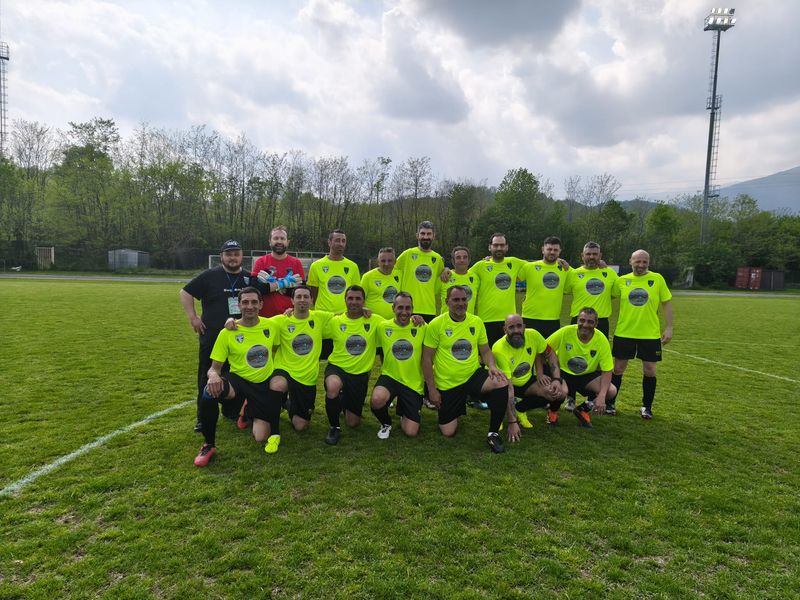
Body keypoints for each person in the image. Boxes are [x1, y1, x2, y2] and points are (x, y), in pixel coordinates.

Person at [422, 286, 516, 453]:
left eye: (464, 299)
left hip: (472, 376)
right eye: (456, 300)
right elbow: (427, 359)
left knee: (501, 381)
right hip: (448, 383)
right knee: (448, 432)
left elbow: (485, 351)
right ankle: (457, 408)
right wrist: (432, 390)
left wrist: (492, 366)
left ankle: (493, 433)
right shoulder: (436, 324)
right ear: (447, 302)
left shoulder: (476, 321)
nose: (461, 303)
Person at [194, 287, 282, 466]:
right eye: (245, 302)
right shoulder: (227, 332)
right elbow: (214, 368)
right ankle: (208, 445)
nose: (250, 306)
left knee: (261, 437)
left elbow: (275, 348)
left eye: (254, 302)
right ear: (239, 305)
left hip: (262, 384)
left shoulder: (271, 326)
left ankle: (247, 410)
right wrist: (213, 376)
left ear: (261, 304)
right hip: (238, 380)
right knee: (209, 392)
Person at [181, 240, 255, 432]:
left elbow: (267, 292)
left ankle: (231, 411)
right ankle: (203, 417)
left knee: (236, 376)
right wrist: (193, 317)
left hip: (240, 340)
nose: (233, 258)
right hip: (212, 337)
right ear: (221, 256)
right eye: (228, 254)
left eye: (236, 254)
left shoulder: (249, 278)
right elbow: (185, 292)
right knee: (208, 376)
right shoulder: (210, 276)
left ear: (242, 256)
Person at [611, 249, 673, 419]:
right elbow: (608, 295)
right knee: (618, 368)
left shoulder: (657, 279)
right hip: (625, 332)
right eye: (638, 261)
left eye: (644, 262)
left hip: (649, 334)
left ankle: (647, 407)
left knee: (650, 370)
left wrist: (669, 327)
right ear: (630, 261)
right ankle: (610, 403)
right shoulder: (621, 281)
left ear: (649, 263)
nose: (641, 265)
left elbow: (666, 303)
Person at [268, 285, 334, 432]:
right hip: (285, 369)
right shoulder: (282, 320)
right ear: (292, 300)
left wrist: (362, 311)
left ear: (311, 300)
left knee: (301, 426)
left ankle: (289, 404)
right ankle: (272, 415)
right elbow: (257, 323)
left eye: (306, 297)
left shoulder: (320, 317)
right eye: (298, 297)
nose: (302, 300)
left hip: (307, 377)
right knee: (277, 386)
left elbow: (344, 317)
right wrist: (233, 321)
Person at [322, 285, 380, 445]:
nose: (354, 302)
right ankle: (334, 427)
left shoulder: (375, 320)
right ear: (345, 300)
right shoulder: (335, 322)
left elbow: (395, 324)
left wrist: (415, 318)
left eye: (358, 299)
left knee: (353, 422)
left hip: (359, 375)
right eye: (350, 298)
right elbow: (310, 322)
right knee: (333, 386)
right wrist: (290, 312)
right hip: (337, 368)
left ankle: (342, 398)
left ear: (364, 301)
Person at [545, 308, 617, 429]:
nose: (585, 324)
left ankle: (583, 409)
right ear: (577, 320)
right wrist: (544, 372)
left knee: (611, 391)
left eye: (590, 322)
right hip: (563, 372)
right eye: (582, 320)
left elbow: (607, 370)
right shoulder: (566, 332)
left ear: (596, 323)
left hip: (586, 376)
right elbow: (544, 348)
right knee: (561, 392)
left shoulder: (601, 339)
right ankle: (552, 411)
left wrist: (602, 396)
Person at [492, 314, 567, 429]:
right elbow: (509, 388)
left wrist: (555, 379)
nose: (516, 330)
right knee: (501, 394)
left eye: (519, 326)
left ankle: (520, 409)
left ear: (524, 327)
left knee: (558, 392)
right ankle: (498, 416)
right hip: (502, 383)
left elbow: (550, 353)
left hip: (524, 382)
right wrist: (513, 422)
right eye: (511, 327)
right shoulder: (499, 349)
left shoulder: (533, 335)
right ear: (505, 329)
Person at [370, 292, 426, 439]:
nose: (404, 312)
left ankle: (404, 411)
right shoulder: (382, 326)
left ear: (413, 309)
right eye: (400, 307)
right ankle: (386, 423)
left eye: (408, 308)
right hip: (390, 377)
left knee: (411, 432)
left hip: (412, 383)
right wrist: (363, 310)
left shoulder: (421, 326)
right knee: (376, 400)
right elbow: (362, 321)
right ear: (393, 308)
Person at [307, 229, 361, 358]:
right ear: (329, 242)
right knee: (318, 357)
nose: (340, 243)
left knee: (345, 356)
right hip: (324, 319)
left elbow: (355, 293)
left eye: (343, 241)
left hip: (345, 318)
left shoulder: (352, 266)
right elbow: (313, 293)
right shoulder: (316, 266)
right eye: (337, 240)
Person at [468, 233, 527, 346]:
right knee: (487, 353)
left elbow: (537, 267)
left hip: (509, 321)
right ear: (490, 247)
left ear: (506, 247)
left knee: (509, 354)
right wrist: (446, 270)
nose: (499, 248)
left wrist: (556, 260)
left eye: (502, 245)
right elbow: (461, 275)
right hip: (486, 320)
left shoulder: (514, 262)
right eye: (495, 245)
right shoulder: (481, 266)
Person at [564, 241, 618, 339]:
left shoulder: (610, 273)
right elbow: (563, 290)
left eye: (595, 254)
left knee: (599, 348)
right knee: (575, 348)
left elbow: (615, 293)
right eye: (588, 254)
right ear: (582, 256)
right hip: (579, 320)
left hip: (601, 321)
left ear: (600, 256)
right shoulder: (573, 274)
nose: (591, 257)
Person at [251, 225, 305, 317]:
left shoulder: (296, 263)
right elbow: (255, 289)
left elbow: (301, 291)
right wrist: (283, 284)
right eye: (276, 238)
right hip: (265, 317)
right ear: (270, 241)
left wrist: (270, 286)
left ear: (287, 242)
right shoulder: (261, 262)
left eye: (282, 238)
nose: (279, 241)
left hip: (289, 316)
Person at [521, 236, 569, 340]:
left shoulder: (566, 269)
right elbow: (510, 275)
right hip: (530, 317)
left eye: (555, 250)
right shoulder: (529, 267)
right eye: (549, 249)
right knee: (530, 349)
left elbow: (585, 272)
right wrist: (490, 260)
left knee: (550, 349)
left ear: (559, 252)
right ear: (543, 250)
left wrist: (600, 264)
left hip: (553, 319)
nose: (552, 252)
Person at [395, 221, 444, 322]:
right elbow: (391, 272)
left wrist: (447, 269)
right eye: (423, 233)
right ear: (417, 235)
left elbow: (443, 277)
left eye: (429, 234)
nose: (426, 237)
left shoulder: (438, 259)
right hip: (407, 308)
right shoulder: (407, 254)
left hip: (429, 309)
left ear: (433, 236)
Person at [360, 247, 400, 320]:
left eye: (390, 261)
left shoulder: (400, 275)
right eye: (383, 261)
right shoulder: (367, 277)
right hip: (373, 322)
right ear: (378, 262)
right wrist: (363, 309)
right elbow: (359, 299)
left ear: (395, 262)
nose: (386, 264)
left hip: (394, 323)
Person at [440, 246, 479, 315]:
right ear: (453, 261)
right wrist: (445, 269)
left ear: (469, 260)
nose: (462, 260)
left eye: (465, 257)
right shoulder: (445, 276)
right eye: (458, 257)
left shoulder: (475, 277)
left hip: (468, 320)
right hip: (448, 320)